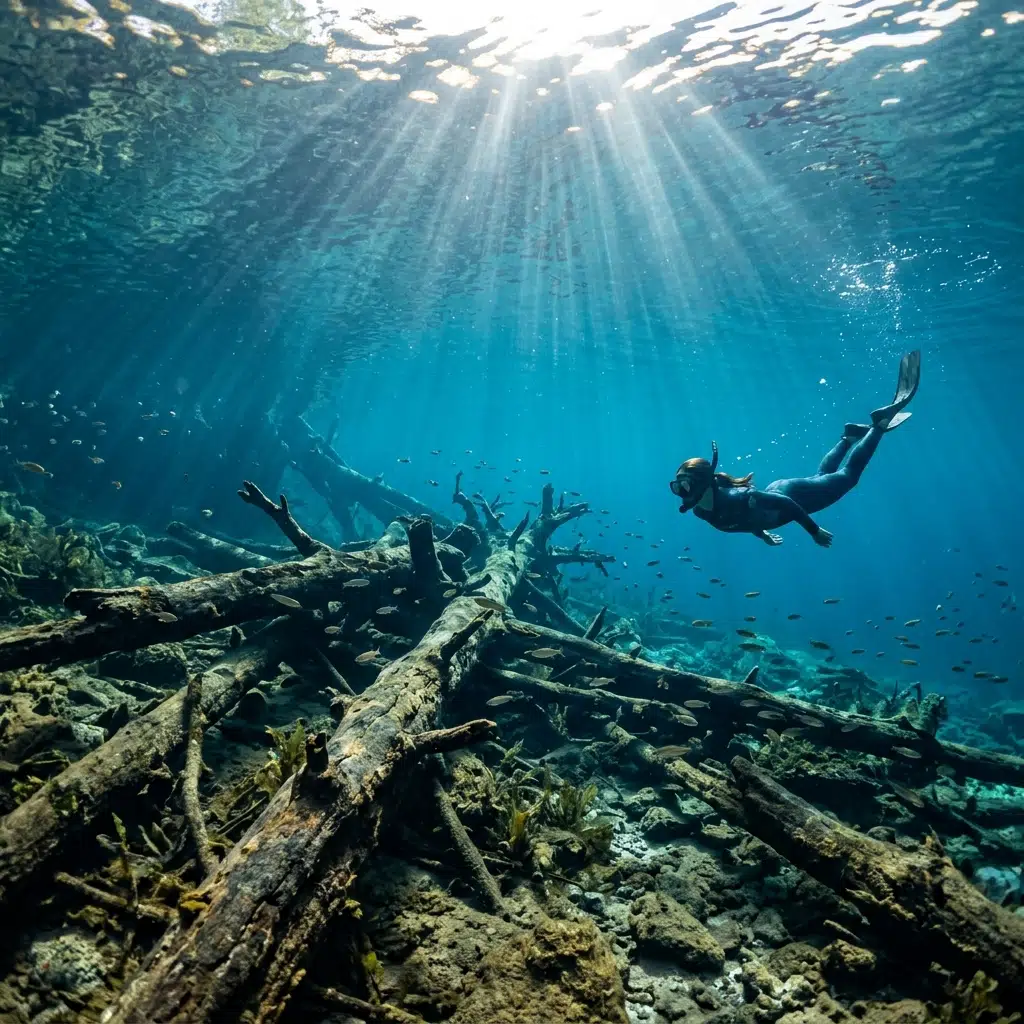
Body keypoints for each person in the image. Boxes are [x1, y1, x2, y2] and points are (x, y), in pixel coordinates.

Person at [670, 350, 920, 547]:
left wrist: (814, 532)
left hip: (790, 496)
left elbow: (786, 503)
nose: (681, 492)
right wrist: (762, 533)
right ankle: (849, 437)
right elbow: (740, 519)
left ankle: (879, 425)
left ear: (704, 482)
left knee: (848, 477)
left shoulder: (740, 497)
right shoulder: (702, 512)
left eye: (685, 485)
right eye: (677, 486)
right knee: (822, 478)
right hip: (780, 495)